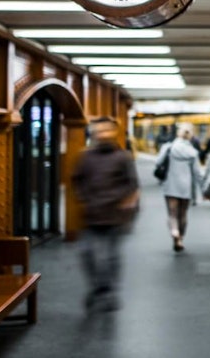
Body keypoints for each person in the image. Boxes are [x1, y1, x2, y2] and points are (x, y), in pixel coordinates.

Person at [71, 117, 140, 313]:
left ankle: (109, 291)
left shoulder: (123, 157)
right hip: (92, 214)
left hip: (115, 216)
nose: (103, 134)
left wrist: (124, 206)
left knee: (111, 256)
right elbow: (77, 180)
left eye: (106, 131)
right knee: (87, 254)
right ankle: (98, 286)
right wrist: (84, 198)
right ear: (94, 134)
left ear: (113, 133)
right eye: (99, 131)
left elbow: (132, 184)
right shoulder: (85, 157)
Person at [157, 123, 200, 252]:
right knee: (183, 214)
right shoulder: (193, 152)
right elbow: (197, 173)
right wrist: (204, 189)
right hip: (185, 186)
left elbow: (158, 162)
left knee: (172, 213)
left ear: (178, 134)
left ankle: (174, 231)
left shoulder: (168, 147)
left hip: (171, 185)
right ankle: (181, 237)